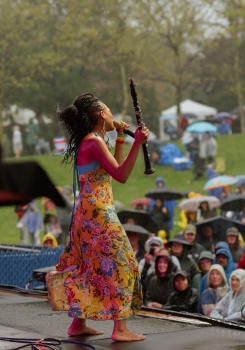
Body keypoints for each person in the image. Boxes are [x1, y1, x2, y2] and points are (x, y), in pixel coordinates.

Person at [46, 93, 149, 341]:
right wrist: (139, 143)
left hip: (86, 215)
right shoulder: (94, 141)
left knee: (88, 268)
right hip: (99, 216)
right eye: (110, 110)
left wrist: (122, 137)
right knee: (122, 264)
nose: (113, 115)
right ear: (102, 115)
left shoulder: (91, 140)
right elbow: (121, 175)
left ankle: (78, 324)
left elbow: (114, 167)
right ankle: (120, 329)